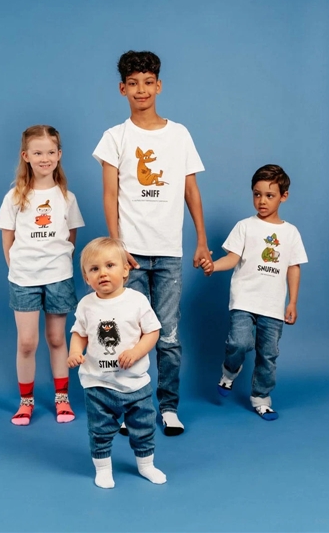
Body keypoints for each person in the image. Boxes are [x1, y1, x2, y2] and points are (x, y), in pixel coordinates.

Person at [92, 50, 210, 436]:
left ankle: (169, 406)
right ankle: (129, 406)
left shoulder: (179, 135)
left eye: (147, 82)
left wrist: (201, 241)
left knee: (168, 335)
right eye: (133, 83)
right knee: (129, 331)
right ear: (122, 89)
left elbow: (191, 190)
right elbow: (110, 195)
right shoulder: (115, 137)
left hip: (169, 252)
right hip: (130, 255)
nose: (140, 90)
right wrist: (116, 246)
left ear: (158, 86)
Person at [200, 164, 308, 420]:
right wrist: (213, 266)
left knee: (268, 355)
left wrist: (292, 302)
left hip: (272, 304)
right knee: (238, 342)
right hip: (244, 299)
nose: (262, 201)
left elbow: (293, 268)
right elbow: (232, 258)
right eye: (257, 194)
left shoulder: (290, 233)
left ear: (283, 196)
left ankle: (261, 398)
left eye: (269, 195)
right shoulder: (245, 226)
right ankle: (229, 371)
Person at [0, 124, 85, 426]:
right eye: (37, 153)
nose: (44, 158)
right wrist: (17, 268)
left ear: (59, 155)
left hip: (58, 277)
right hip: (24, 279)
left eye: (50, 152)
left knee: (57, 338)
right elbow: (7, 239)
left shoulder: (67, 197)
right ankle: (26, 401)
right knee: (27, 342)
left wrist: (59, 263)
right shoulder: (14, 197)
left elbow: (70, 237)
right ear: (26, 156)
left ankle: (62, 398)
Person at [68, 237, 167, 489]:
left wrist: (136, 351)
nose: (102, 273)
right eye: (94, 269)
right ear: (86, 277)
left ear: (125, 270)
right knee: (99, 430)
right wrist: (75, 351)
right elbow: (79, 333)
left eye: (109, 265)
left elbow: (152, 331)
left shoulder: (137, 301)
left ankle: (146, 465)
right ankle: (103, 469)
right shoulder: (86, 305)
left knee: (143, 427)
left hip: (135, 384)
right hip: (98, 384)